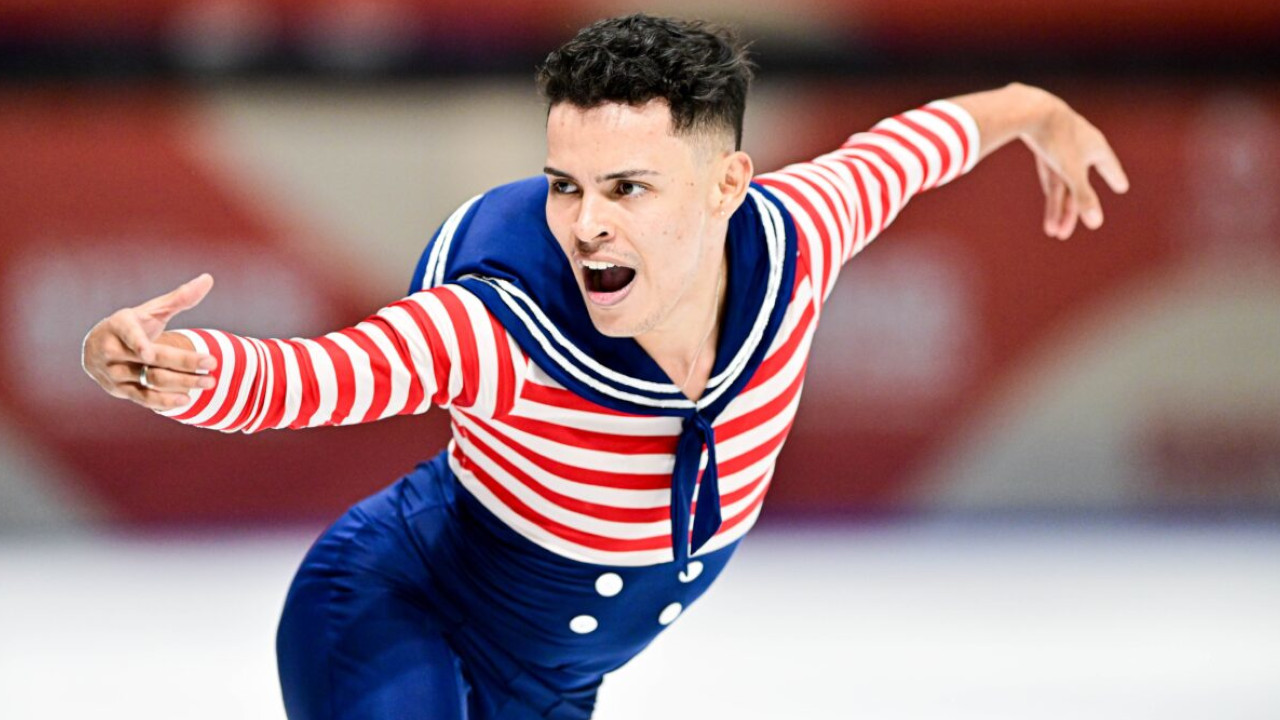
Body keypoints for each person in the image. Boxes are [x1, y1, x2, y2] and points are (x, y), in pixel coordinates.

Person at [81, 13, 1128, 720]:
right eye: (563, 186)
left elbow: (926, 138)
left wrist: (1035, 111)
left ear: (727, 186)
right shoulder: (497, 325)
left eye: (627, 189)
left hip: (550, 684)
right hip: (392, 613)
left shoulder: (802, 234)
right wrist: (158, 366)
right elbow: (317, 377)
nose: (585, 226)